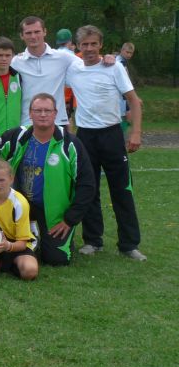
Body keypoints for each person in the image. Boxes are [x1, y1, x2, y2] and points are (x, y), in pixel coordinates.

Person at [0, 94, 96, 266]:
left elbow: (87, 185)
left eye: (48, 110)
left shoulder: (70, 144)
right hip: (18, 206)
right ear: (30, 114)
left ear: (55, 114)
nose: (43, 114)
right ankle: (27, 238)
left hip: (54, 214)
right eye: (38, 110)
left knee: (56, 259)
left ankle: (43, 238)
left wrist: (70, 219)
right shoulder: (18, 136)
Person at [66, 26, 145, 260]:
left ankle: (129, 245)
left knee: (122, 189)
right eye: (84, 45)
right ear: (78, 47)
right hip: (85, 137)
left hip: (111, 135)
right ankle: (93, 241)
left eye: (93, 44)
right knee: (88, 190)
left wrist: (135, 132)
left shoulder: (115, 67)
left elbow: (135, 101)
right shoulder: (73, 69)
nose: (89, 49)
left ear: (100, 45)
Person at [8, 16, 114, 126]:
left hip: (57, 122)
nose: (33, 36)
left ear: (45, 32)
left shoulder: (63, 57)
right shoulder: (16, 62)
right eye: (28, 33)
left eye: (37, 32)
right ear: (21, 36)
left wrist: (104, 58)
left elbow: (88, 65)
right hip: (28, 122)